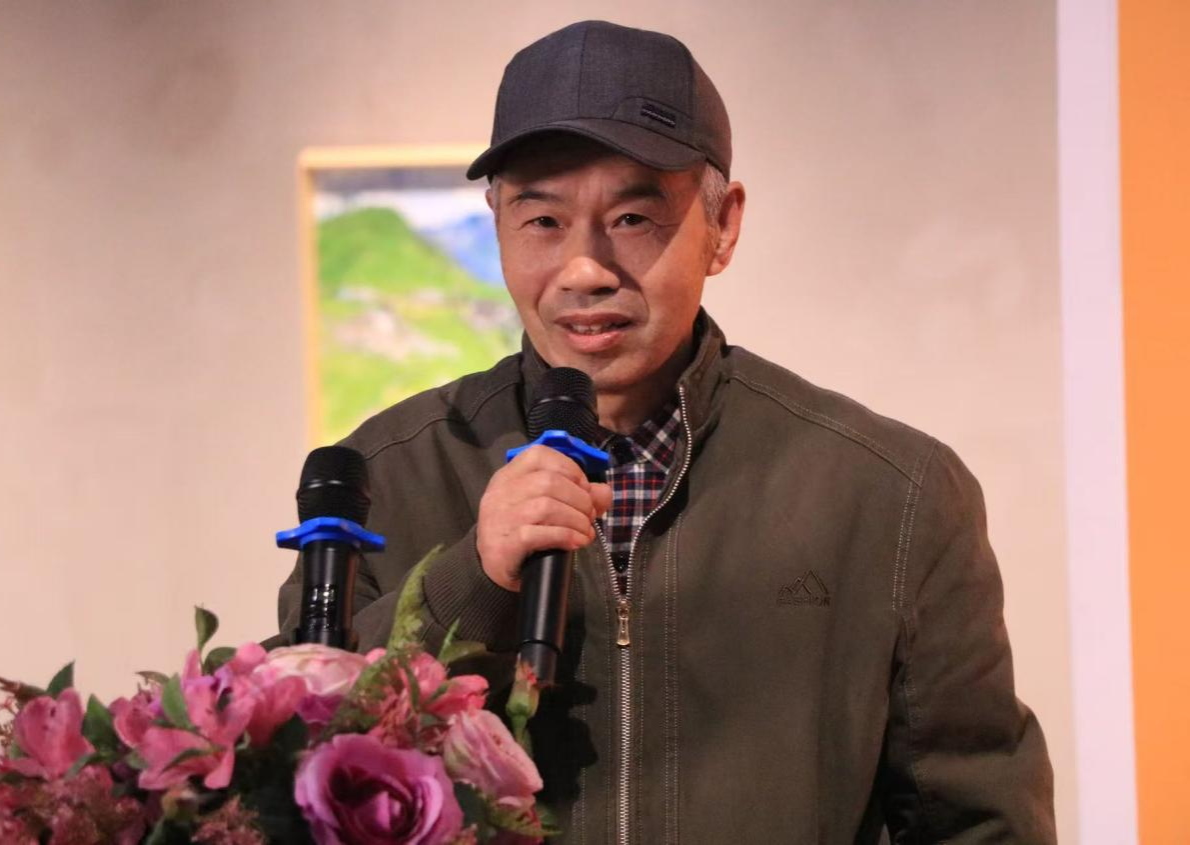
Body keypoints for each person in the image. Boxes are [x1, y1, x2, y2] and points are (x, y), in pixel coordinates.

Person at [276, 20, 1055, 842]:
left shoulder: (892, 494)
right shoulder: (380, 477)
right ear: (496, 220)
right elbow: (283, 781)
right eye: (542, 220)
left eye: (633, 217)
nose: (584, 269)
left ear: (724, 227)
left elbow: (981, 823)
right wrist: (474, 577)